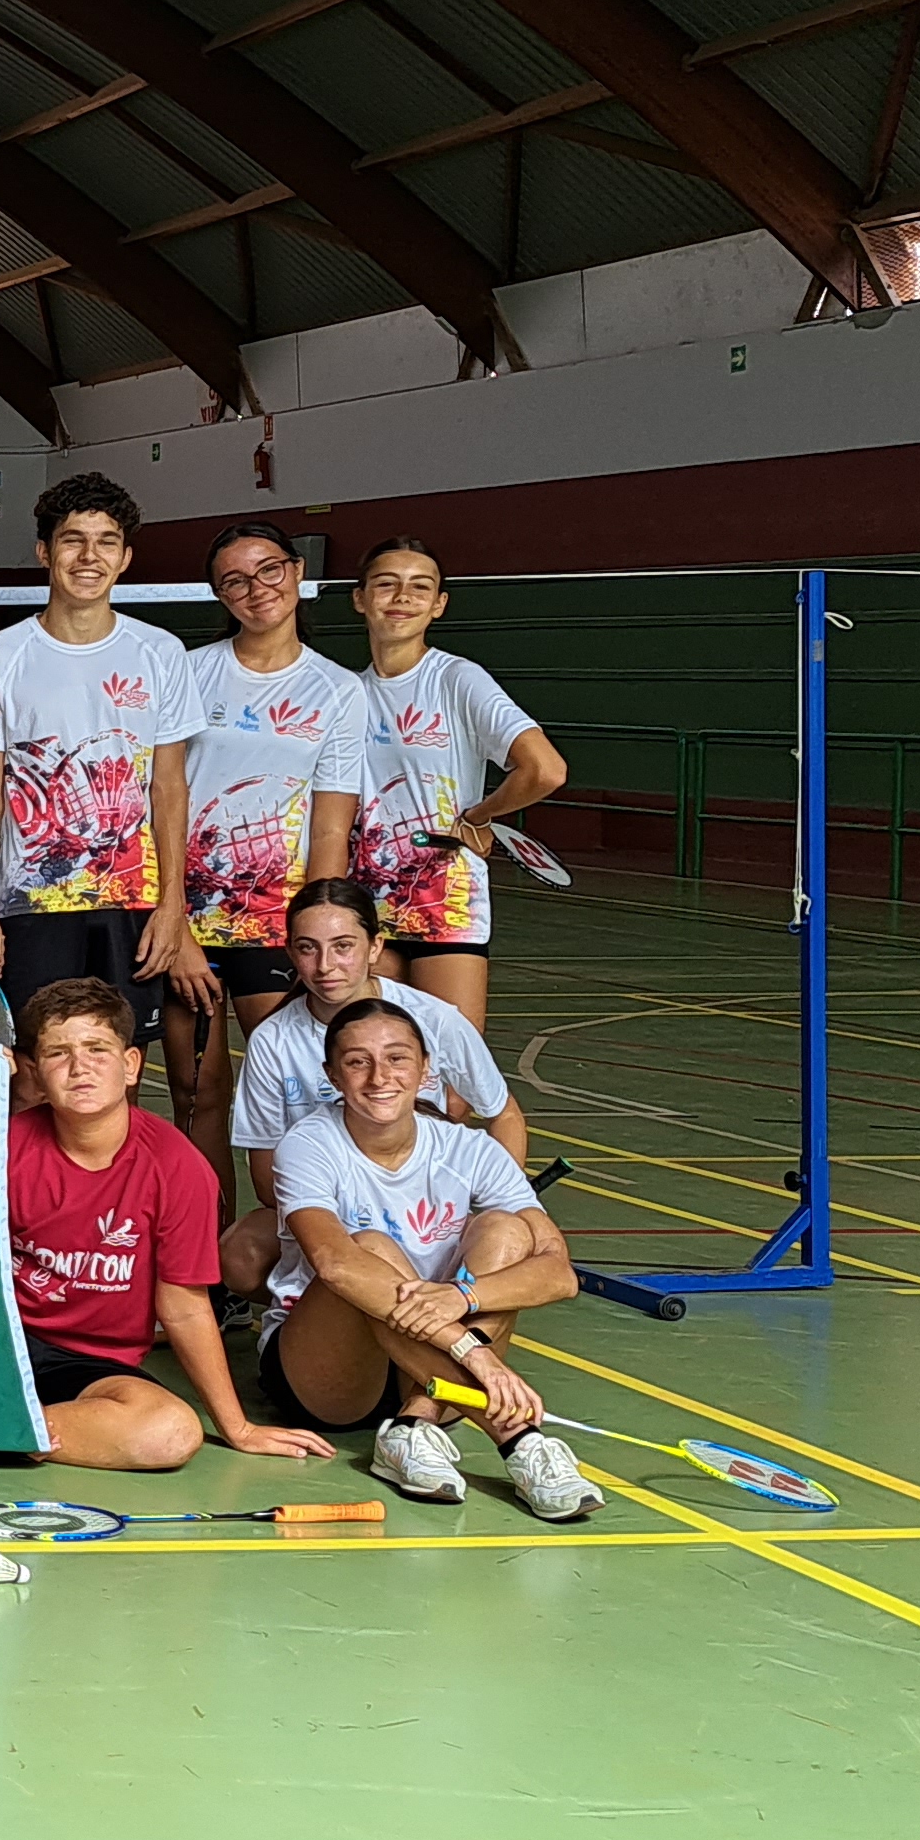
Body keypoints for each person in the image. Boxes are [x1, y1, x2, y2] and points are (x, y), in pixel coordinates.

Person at [265, 998, 600, 1520]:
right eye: (358, 1061)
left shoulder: (470, 1150)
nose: (380, 1076)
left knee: (507, 1232)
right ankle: (520, 1439)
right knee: (368, 1248)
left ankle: (412, 1428)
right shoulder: (308, 1144)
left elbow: (559, 1273)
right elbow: (334, 1263)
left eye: (398, 1058)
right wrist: (475, 1353)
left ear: (426, 1069)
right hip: (328, 1372)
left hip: (426, 1377)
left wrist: (462, 1296)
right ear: (332, 1074)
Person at [2, 977, 329, 1474]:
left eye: (97, 1049)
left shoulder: (177, 1167)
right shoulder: (1, 1147)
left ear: (131, 1065)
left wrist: (236, 1427)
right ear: (33, 1071)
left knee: (171, 1432)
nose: (79, 1067)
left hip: (90, 1369)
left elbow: (184, 1308)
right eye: (57, 1054)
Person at [0, 473, 212, 1043]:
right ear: (44, 552)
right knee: (32, 1069)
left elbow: (168, 789)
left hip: (133, 904)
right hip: (29, 906)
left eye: (105, 541)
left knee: (118, 1063)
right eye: (73, 539)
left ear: (125, 558)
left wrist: (172, 904)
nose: (88, 556)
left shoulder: (160, 652)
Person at [171, 519, 368, 1214]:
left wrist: (313, 930)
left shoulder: (338, 690)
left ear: (296, 573)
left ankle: (307, 1246)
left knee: (304, 1087)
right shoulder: (190, 674)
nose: (256, 589)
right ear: (219, 594)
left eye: (270, 570)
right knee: (199, 1093)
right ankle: (208, 1262)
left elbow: (331, 825)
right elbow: (153, 803)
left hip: (275, 929)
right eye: (235, 579)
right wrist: (174, 927)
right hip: (183, 927)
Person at [223, 878, 529, 1301]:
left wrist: (501, 1195)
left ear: (375, 947)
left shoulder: (433, 1019)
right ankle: (333, 1310)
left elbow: (503, 1112)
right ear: (291, 952)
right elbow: (264, 1177)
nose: (326, 965)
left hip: (423, 1213)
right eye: (308, 948)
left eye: (344, 946)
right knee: (240, 1255)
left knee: (509, 1235)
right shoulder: (273, 1039)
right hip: (327, 1211)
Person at [346, 537, 568, 1037]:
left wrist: (477, 816)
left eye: (419, 587)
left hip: (444, 898)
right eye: (386, 584)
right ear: (360, 598)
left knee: (453, 1072)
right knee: (373, 1060)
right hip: (362, 902)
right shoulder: (345, 693)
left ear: (438, 605)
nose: (402, 597)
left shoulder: (458, 679)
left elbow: (544, 769)